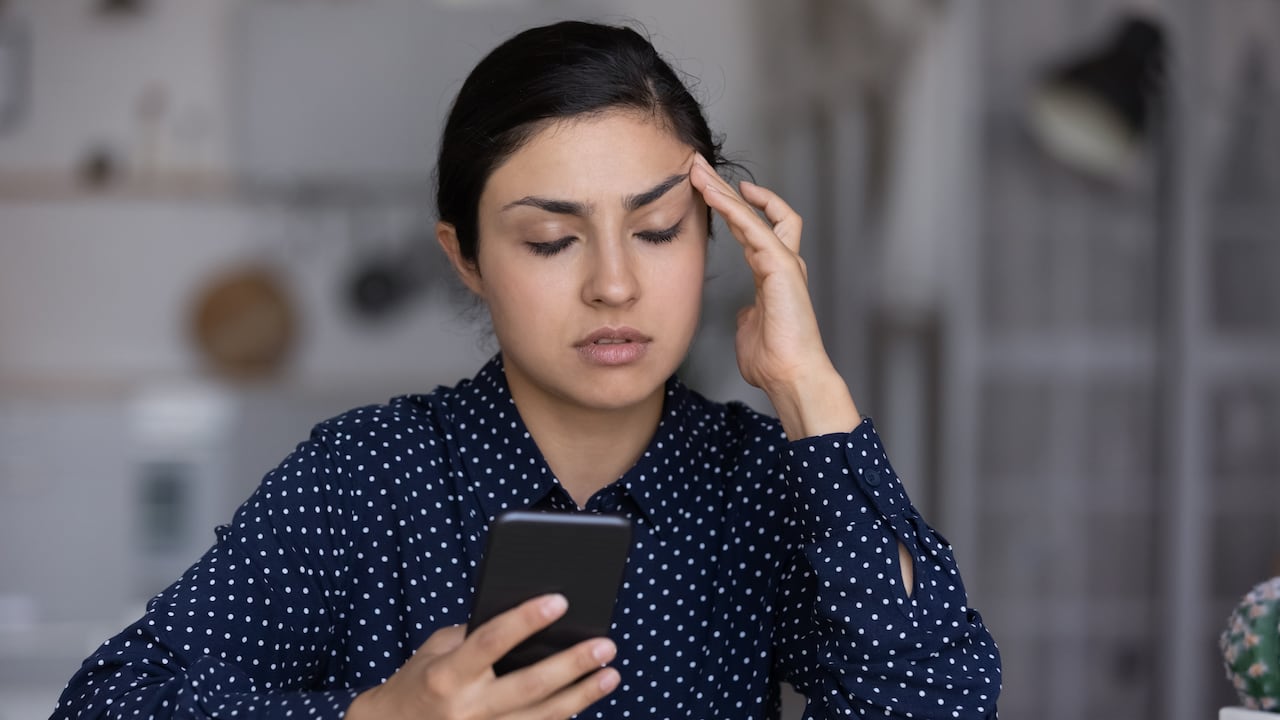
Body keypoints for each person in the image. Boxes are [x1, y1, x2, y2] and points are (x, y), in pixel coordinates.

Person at [51, 20, 1000, 720]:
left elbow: (940, 698)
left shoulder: (764, 482)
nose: (616, 285)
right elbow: (107, 704)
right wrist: (379, 717)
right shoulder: (368, 477)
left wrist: (808, 387)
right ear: (463, 257)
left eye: (659, 230)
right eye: (552, 240)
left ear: (715, 231)